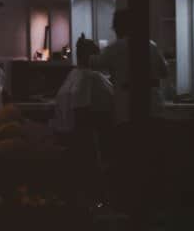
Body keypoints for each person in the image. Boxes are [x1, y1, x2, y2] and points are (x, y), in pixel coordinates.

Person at [91, 9, 170, 124]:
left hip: (126, 109)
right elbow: (165, 72)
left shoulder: (115, 48)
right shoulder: (151, 45)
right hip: (153, 106)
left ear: (118, 28)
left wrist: (89, 49)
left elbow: (94, 63)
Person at [52, 36, 114, 178]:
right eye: (98, 55)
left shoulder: (74, 75)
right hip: (83, 144)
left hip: (66, 139)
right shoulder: (89, 77)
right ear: (92, 57)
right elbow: (82, 112)